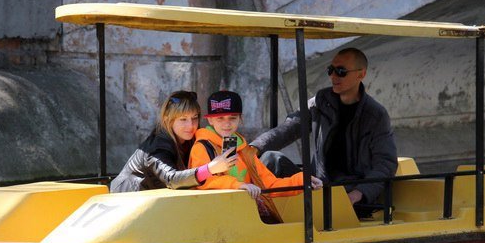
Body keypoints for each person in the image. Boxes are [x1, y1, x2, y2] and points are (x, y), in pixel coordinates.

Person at [252, 47, 397, 215]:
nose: (333, 76)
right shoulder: (320, 102)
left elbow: (385, 164)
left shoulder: (376, 115)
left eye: (341, 71)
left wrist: (358, 194)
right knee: (270, 158)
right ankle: (258, 213)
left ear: (361, 74)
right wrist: (252, 148)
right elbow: (288, 129)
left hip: (349, 191)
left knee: (340, 198)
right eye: (330, 70)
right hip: (317, 184)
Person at [189, 90, 322, 222]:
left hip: (246, 218)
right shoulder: (202, 147)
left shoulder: (245, 150)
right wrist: (238, 185)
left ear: (240, 119)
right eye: (220, 118)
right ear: (211, 120)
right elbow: (202, 182)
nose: (227, 123)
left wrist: (302, 180)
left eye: (232, 118)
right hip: (216, 220)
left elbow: (269, 185)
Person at [110, 90, 236, 193]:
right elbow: (172, 179)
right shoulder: (158, 146)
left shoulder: (194, 139)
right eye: (183, 119)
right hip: (126, 201)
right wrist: (209, 168)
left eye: (194, 118)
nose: (190, 125)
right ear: (168, 120)